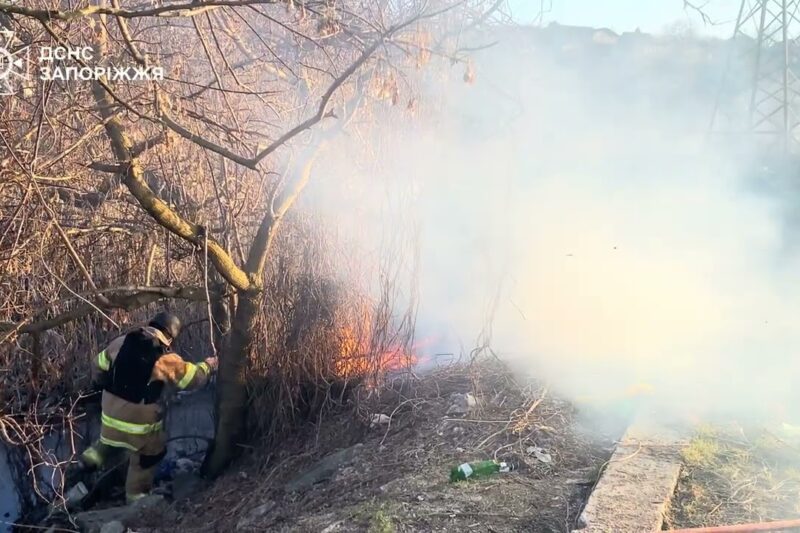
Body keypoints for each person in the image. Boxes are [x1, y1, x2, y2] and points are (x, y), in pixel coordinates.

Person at [68, 311, 218, 503]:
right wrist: (208, 366)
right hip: (138, 424)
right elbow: (192, 379)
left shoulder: (121, 342)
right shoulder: (165, 358)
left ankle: (88, 461)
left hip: (109, 413)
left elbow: (98, 365)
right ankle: (136, 499)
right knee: (148, 456)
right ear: (170, 336)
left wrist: (103, 386)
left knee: (109, 439)